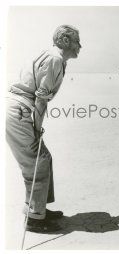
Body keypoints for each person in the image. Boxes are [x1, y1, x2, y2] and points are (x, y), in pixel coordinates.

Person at [6, 25, 81, 233]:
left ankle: (39, 209)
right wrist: (37, 128)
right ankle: (35, 219)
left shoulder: (51, 57)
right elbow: (41, 98)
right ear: (65, 41)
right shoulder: (55, 59)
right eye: (77, 41)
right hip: (20, 112)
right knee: (37, 162)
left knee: (42, 159)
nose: (80, 46)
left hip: (18, 110)